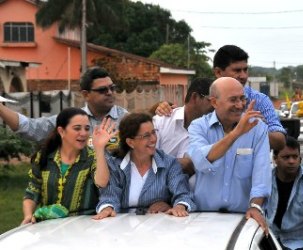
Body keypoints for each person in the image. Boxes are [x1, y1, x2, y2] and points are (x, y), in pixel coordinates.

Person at [155, 45, 286, 151]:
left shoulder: (259, 100)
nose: (243, 76)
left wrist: (252, 128)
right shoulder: (207, 97)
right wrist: (161, 107)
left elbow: (280, 142)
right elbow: (187, 114)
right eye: (237, 70)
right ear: (218, 72)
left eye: (245, 70)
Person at [188, 77, 271, 234]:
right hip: (202, 219)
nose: (240, 105)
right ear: (214, 102)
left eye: (242, 99)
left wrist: (255, 206)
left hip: (244, 221)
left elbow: (262, 174)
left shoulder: (257, 128)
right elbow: (201, 161)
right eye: (233, 100)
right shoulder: (198, 127)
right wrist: (237, 133)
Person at [21, 107, 116, 224]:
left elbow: (102, 182)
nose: (83, 133)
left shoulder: (92, 158)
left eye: (87, 129)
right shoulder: (44, 157)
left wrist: (99, 149)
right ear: (61, 131)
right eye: (77, 128)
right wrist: (28, 215)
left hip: (84, 227)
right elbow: (32, 192)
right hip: (48, 228)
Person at [93, 112, 196, 219]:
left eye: (153, 132)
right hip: (123, 229)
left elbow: (183, 194)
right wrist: (107, 209)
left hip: (159, 226)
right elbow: (109, 197)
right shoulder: (116, 165)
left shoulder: (169, 163)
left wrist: (179, 206)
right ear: (130, 142)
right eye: (146, 135)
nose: (153, 139)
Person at [0, 66, 128, 145]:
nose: (110, 93)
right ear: (86, 94)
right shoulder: (70, 120)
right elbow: (31, 128)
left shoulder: (126, 121)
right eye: (102, 90)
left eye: (112, 88)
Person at [153, 77, 214, 176]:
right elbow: (145, 159)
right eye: (211, 100)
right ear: (195, 97)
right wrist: (179, 164)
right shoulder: (161, 121)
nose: (215, 106)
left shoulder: (215, 130)